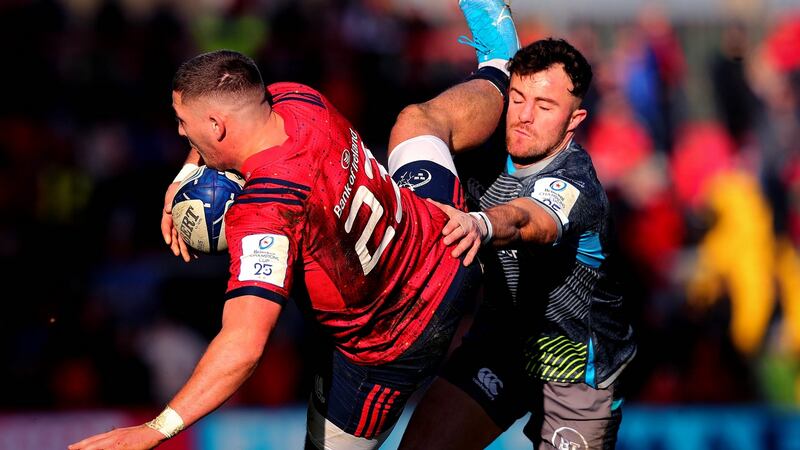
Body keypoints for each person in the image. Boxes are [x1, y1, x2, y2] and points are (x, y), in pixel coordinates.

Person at [66, 4, 512, 445]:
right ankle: (499, 66)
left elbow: (243, 345)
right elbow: (232, 122)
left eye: (184, 124)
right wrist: (185, 177)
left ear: (217, 126)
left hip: (394, 336)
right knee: (418, 121)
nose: (182, 135)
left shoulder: (266, 212)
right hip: (444, 235)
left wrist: (153, 430)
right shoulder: (296, 99)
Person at [390, 12, 637, 450]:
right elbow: (423, 121)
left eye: (544, 108)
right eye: (518, 98)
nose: (523, 117)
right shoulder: (486, 147)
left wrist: (481, 224)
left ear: (574, 120)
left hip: (575, 370)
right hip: (499, 347)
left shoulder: (576, 183)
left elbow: (528, 219)